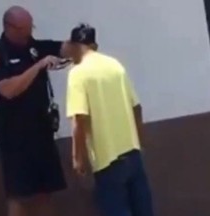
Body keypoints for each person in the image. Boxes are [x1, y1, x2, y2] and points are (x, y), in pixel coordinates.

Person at [0, 6, 70, 216]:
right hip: (15, 135)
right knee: (18, 193)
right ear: (9, 27)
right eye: (24, 29)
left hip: (41, 128)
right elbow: (8, 90)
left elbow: (63, 48)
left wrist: (79, 41)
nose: (29, 33)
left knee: (45, 191)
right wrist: (38, 66)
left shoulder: (34, 47)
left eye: (31, 28)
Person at [66, 23, 154, 216]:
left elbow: (79, 119)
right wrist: (140, 142)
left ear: (73, 46)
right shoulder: (115, 65)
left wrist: (78, 159)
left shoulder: (77, 73)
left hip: (107, 160)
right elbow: (136, 107)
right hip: (132, 153)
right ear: (94, 45)